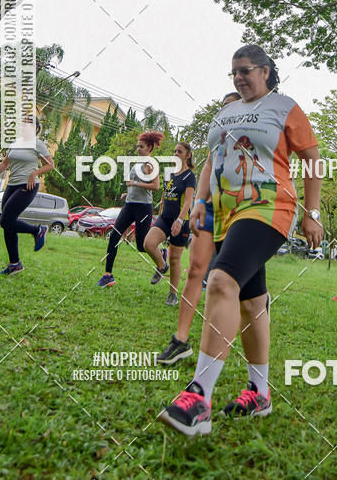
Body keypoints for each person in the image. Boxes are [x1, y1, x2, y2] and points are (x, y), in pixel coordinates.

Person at [158, 44, 323, 436]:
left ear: (265, 71)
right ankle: (260, 394)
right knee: (251, 303)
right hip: (227, 215)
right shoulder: (225, 113)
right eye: (233, 72)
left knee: (220, 280)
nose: (238, 77)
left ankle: (199, 397)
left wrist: (313, 214)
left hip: (270, 207)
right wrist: (199, 201)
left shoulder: (285, 107)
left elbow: (312, 159)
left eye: (245, 70)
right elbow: (214, 160)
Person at [157, 92, 241, 365]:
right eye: (223, 107)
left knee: (228, 280)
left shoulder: (253, 136)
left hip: (241, 210)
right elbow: (208, 168)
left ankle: (230, 336)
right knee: (196, 271)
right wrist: (199, 203)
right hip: (211, 208)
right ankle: (181, 341)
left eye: (232, 106)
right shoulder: (216, 138)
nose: (225, 111)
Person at [0, 117, 54, 275]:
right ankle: (15, 264)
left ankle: (37, 231)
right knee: (8, 223)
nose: (24, 126)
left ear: (35, 128)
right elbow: (4, 164)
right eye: (23, 124)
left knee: (6, 220)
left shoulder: (37, 144)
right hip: (12, 185)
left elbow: (50, 165)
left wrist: (34, 173)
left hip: (28, 186)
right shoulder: (15, 143)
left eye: (28, 124)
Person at [96, 131, 163, 288]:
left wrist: (134, 184)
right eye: (137, 146)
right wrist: (129, 192)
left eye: (142, 146)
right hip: (130, 205)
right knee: (114, 236)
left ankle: (161, 253)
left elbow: (155, 186)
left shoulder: (150, 164)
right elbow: (135, 184)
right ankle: (108, 275)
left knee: (141, 245)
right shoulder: (137, 163)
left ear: (150, 148)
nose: (138, 149)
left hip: (143, 208)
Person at [144, 141, 195, 304]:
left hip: (181, 221)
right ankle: (161, 265)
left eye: (179, 152)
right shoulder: (169, 173)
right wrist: (158, 214)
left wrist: (179, 220)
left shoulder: (189, 176)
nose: (175, 154)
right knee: (148, 244)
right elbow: (165, 196)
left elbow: (188, 201)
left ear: (187, 155)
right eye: (174, 151)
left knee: (175, 258)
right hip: (164, 219)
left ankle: (172, 294)